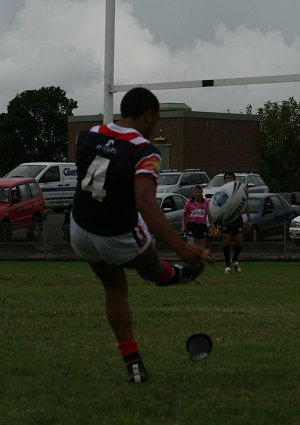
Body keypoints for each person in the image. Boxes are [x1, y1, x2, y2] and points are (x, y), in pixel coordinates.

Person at [70, 87, 214, 384]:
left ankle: (133, 363)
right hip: (117, 232)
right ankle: (180, 273)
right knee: (152, 271)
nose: (155, 126)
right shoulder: (145, 150)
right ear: (148, 115)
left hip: (80, 228)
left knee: (114, 287)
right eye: (155, 119)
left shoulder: (87, 134)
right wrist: (182, 247)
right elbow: (146, 203)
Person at [221, 172, 251, 273]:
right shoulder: (222, 191)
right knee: (226, 241)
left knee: (239, 242)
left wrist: (249, 218)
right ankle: (227, 266)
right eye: (227, 178)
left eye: (230, 178)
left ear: (234, 179)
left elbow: (246, 204)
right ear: (224, 180)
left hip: (237, 220)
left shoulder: (240, 191)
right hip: (226, 220)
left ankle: (234, 260)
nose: (229, 179)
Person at [182, 185, 210, 249]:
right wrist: (183, 226)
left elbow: (209, 214)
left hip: (202, 226)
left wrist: (211, 224)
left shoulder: (206, 202)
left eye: (199, 192)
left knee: (202, 247)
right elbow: (184, 215)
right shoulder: (188, 202)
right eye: (196, 192)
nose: (197, 194)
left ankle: (200, 258)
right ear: (193, 192)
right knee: (190, 246)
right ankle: (191, 258)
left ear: (201, 192)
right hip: (191, 225)